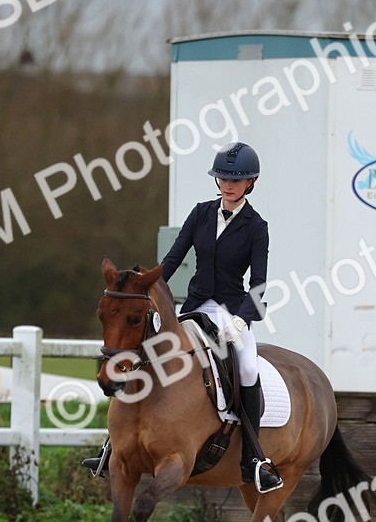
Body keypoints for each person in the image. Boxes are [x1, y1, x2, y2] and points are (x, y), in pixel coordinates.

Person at [84, 142, 283, 493]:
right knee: (144, 354)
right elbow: (171, 261)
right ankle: (111, 446)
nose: (228, 184)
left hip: (231, 312)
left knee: (248, 367)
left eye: (236, 180)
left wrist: (241, 320)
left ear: (251, 182)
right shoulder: (201, 214)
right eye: (223, 178)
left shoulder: (257, 226)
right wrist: (145, 289)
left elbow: (260, 283)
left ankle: (253, 458)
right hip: (193, 307)